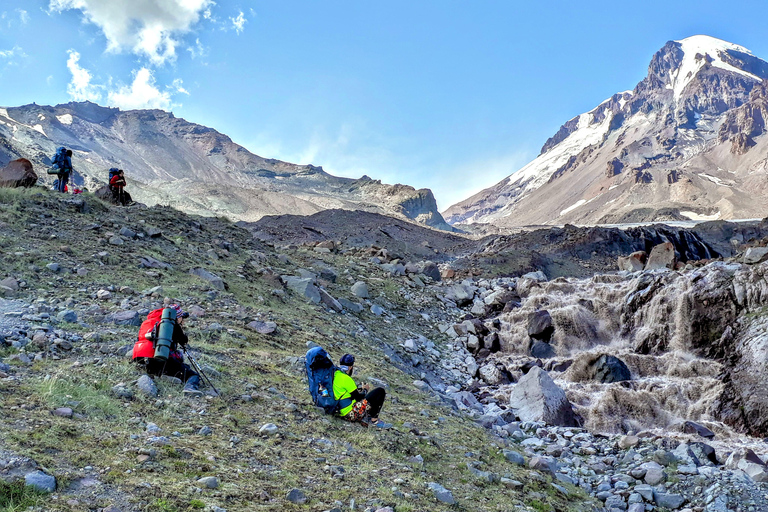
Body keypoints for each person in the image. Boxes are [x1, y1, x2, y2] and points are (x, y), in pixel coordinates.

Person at [132, 304, 203, 396]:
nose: (183, 320)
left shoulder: (153, 323)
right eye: (181, 317)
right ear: (177, 317)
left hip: (150, 363)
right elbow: (184, 340)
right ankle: (190, 388)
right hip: (166, 362)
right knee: (193, 375)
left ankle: (163, 376)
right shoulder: (171, 325)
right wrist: (179, 328)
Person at [333, 354, 392, 428]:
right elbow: (358, 398)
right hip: (350, 414)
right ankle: (374, 420)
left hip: (339, 411)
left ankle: (368, 418)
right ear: (351, 367)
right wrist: (365, 390)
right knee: (380, 391)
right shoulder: (347, 379)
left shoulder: (336, 374)